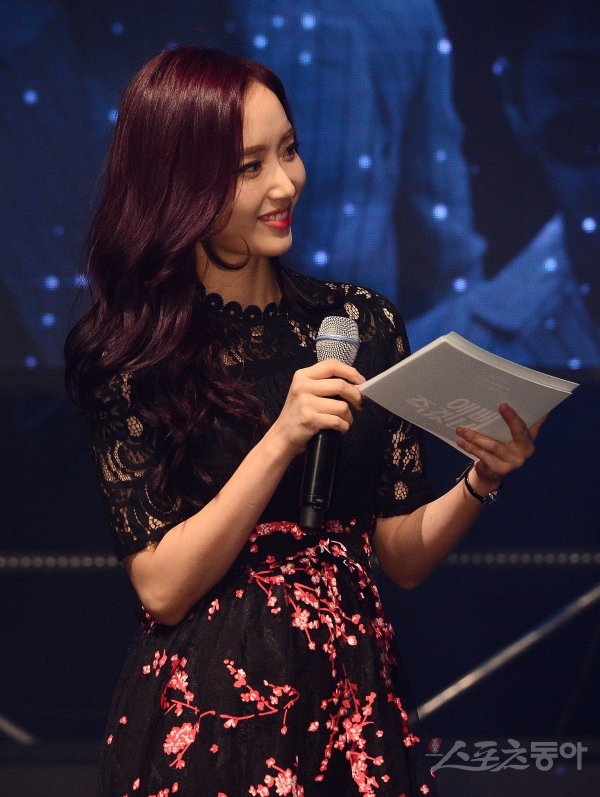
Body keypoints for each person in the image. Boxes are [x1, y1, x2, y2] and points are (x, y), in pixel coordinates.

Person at [65, 46, 542, 797]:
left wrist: (481, 479)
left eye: (288, 150)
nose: (286, 183)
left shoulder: (360, 324)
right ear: (179, 181)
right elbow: (162, 587)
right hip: (209, 712)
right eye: (248, 167)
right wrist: (282, 437)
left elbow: (401, 554)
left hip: (351, 699)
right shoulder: (135, 353)